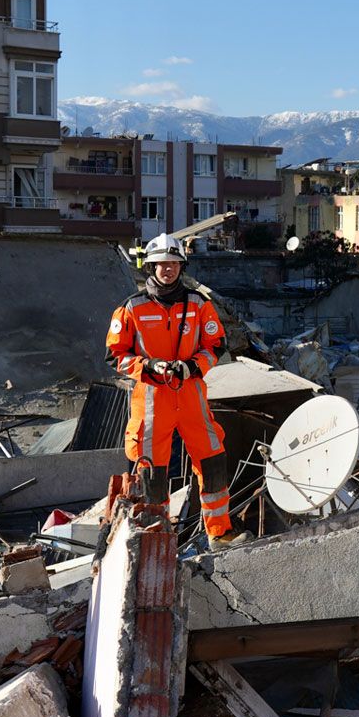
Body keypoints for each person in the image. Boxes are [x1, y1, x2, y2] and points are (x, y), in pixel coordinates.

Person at [105, 233, 242, 548]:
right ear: (151, 266)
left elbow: (216, 344)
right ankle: (158, 539)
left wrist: (192, 367)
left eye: (174, 263)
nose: (168, 269)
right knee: (152, 473)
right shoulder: (131, 308)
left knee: (213, 460)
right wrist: (148, 367)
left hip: (191, 394)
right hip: (152, 400)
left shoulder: (198, 305)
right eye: (162, 264)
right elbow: (115, 355)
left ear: (182, 266)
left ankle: (219, 533)